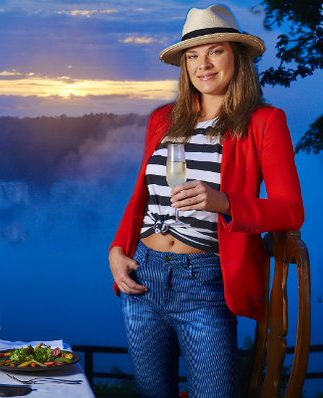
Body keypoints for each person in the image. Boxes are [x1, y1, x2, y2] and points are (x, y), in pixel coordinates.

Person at [108, 5, 304, 397]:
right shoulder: (163, 119)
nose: (203, 64)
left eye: (214, 51)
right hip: (143, 277)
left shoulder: (265, 121)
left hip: (205, 281)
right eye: (193, 55)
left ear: (237, 55)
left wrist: (224, 202)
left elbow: (290, 209)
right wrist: (117, 248)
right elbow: (142, 195)